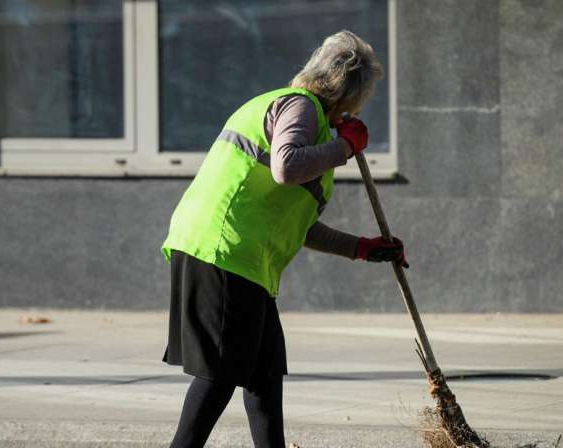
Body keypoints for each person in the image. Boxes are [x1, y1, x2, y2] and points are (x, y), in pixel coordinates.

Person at [160, 30, 407, 448]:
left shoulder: (314, 127)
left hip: (245, 261)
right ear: (348, 94)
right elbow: (287, 167)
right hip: (224, 251)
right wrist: (345, 147)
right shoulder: (300, 107)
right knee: (220, 376)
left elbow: (298, 225)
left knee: (264, 377)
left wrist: (362, 248)